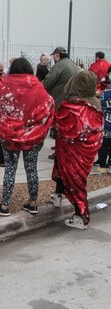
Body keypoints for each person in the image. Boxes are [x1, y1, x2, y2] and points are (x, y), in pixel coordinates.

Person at [0, 58, 54, 217]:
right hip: (32, 136)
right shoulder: (37, 85)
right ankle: (32, 203)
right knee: (31, 169)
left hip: (10, 135)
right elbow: (49, 105)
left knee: (10, 169)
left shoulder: (5, 85)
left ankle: (5, 205)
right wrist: (37, 126)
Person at [51, 71, 103, 230]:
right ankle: (58, 194)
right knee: (70, 174)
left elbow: (60, 126)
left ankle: (81, 216)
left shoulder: (70, 106)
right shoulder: (95, 102)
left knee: (74, 180)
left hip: (71, 150)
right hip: (86, 150)